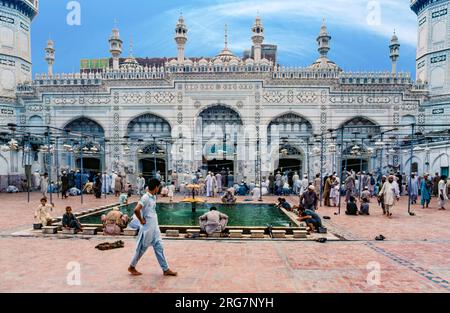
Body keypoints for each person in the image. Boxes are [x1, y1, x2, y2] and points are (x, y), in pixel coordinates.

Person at [128, 179, 177, 277]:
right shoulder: (145, 197)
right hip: (147, 228)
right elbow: (136, 209)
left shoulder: (153, 197)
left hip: (155, 227)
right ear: (155, 187)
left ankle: (165, 269)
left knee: (159, 247)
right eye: (158, 187)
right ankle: (132, 266)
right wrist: (141, 220)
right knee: (142, 248)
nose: (159, 189)